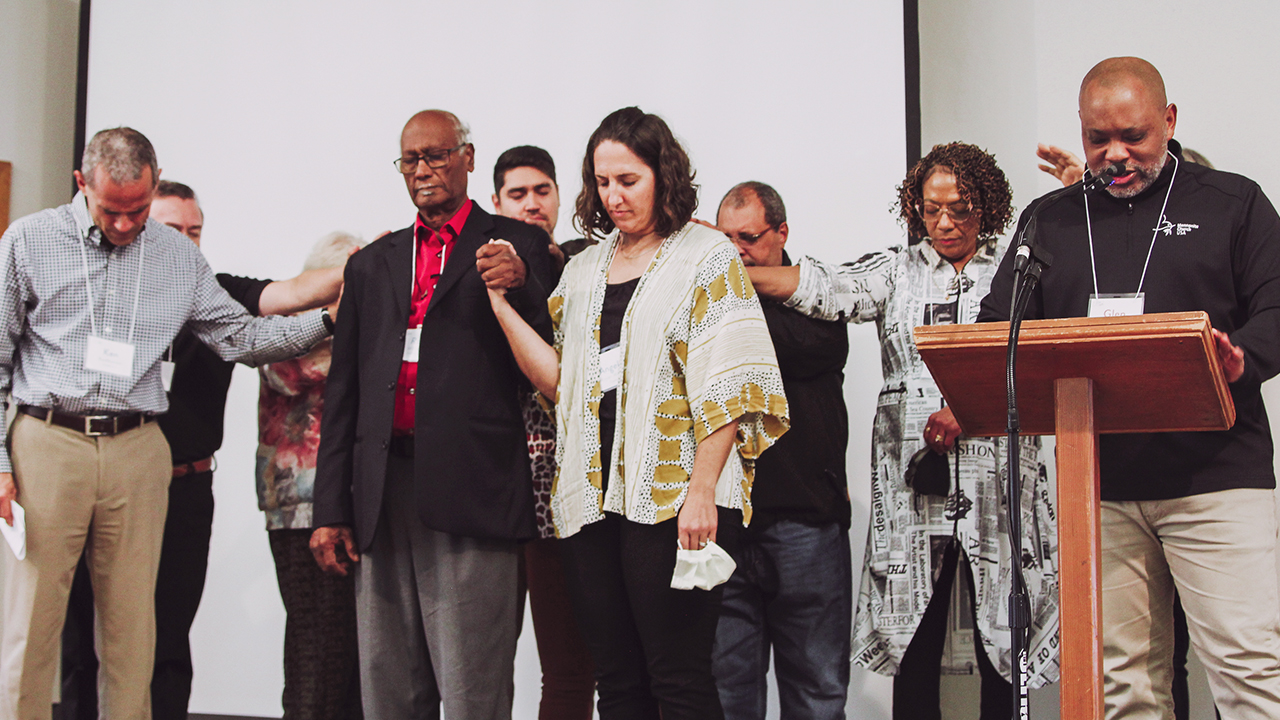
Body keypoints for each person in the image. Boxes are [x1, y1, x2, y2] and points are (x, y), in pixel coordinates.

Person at [979, 57, 1280, 720]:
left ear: (1169, 122)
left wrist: (1243, 357)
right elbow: (997, 328)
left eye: (1134, 136)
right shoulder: (1047, 221)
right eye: (1097, 139)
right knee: (1121, 681)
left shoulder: (1233, 203)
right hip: (1099, 487)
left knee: (1248, 669)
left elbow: (1276, 309)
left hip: (1218, 480)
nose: (1115, 155)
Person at [0, 127, 333, 720]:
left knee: (135, 631)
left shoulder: (177, 256)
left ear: (153, 188)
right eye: (111, 210)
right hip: (49, 441)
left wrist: (329, 322)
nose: (126, 225)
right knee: (34, 626)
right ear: (81, 185)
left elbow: (241, 337)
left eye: (138, 210)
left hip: (137, 449)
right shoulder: (28, 242)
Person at [484, 106, 789, 720]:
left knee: (677, 677)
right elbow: (562, 383)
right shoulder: (584, 269)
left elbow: (730, 379)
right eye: (602, 182)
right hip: (592, 499)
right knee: (618, 683)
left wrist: (703, 491)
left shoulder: (707, 256)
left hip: (676, 497)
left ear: (662, 174)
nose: (614, 196)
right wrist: (500, 304)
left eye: (629, 180)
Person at [749, 143, 1060, 719]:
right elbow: (823, 288)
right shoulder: (895, 270)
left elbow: (1047, 354)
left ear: (986, 207)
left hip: (1000, 486)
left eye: (960, 209)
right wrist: (731, 267)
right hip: (914, 492)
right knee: (914, 640)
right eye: (930, 209)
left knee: (1004, 641)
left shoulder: (1019, 269)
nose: (943, 223)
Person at [310, 109, 553, 720]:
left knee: (474, 687)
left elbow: (558, 339)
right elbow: (343, 395)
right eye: (410, 160)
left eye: (436, 156)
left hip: (474, 490)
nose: (423, 171)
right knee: (388, 683)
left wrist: (522, 282)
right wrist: (332, 507)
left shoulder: (515, 245)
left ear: (468, 158)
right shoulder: (372, 264)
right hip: (382, 490)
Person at [710, 181, 853, 718]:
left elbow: (782, 349)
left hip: (805, 525)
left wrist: (734, 284)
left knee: (816, 692)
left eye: (747, 237)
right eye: (724, 239)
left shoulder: (819, 298)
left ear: (782, 232)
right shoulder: (708, 297)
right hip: (725, 525)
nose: (735, 250)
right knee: (727, 694)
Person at [491, 145, 595, 720]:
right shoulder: (478, 270)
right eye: (518, 193)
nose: (532, 203)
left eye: (542, 191)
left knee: (584, 663)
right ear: (496, 202)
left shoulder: (590, 263)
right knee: (503, 666)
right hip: (508, 499)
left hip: (584, 494)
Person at [257, 231, 365, 720]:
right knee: (315, 648)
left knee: (351, 651)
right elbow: (290, 374)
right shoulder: (285, 331)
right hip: (299, 511)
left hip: (350, 505)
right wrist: (348, 321)